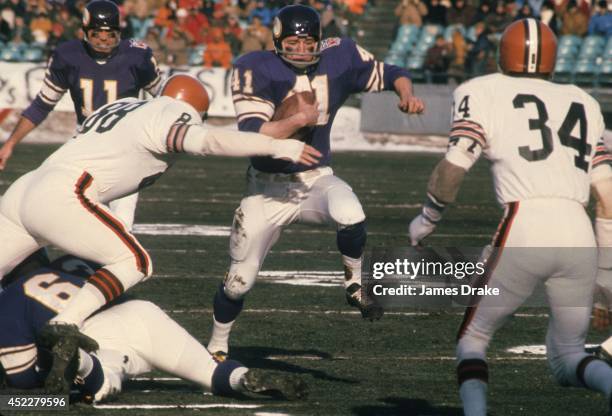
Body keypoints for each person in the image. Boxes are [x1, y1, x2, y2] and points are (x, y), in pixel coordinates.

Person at [0, 73, 321, 393]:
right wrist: (275, 145)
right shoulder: (170, 115)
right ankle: (65, 324)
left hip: (25, 189)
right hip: (64, 192)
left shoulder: (127, 106)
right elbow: (209, 141)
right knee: (134, 261)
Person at [408, 19, 612, 416]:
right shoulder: (583, 100)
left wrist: (427, 218)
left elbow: (453, 168)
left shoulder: (481, 90)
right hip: (578, 230)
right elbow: (608, 196)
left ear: (503, 54)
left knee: (473, 339)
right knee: (567, 357)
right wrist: (606, 277)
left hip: (526, 222)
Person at [206, 4, 425, 360]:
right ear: (277, 40)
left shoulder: (339, 56)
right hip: (266, 189)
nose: (302, 50)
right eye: (293, 43)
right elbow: (252, 132)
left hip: (313, 180)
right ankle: (217, 344)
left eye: (310, 43)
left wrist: (405, 93)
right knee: (238, 282)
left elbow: (391, 71)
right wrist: (296, 121)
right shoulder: (254, 67)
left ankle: (354, 283)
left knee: (350, 212)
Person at [0, 252, 307, 401]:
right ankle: (241, 378)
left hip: (92, 335)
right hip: (139, 313)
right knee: (210, 373)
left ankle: (80, 363)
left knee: (103, 378)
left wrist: (41, 375)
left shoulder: (10, 300)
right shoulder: (70, 261)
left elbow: (21, 378)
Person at [0, 0, 162, 230]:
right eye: (97, 34)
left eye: (110, 34)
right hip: (85, 142)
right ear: (85, 32)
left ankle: (111, 264)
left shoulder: (137, 55)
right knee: (55, 201)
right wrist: (10, 144)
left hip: (127, 146)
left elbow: (164, 97)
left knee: (121, 224)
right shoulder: (68, 56)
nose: (104, 40)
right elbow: (42, 105)